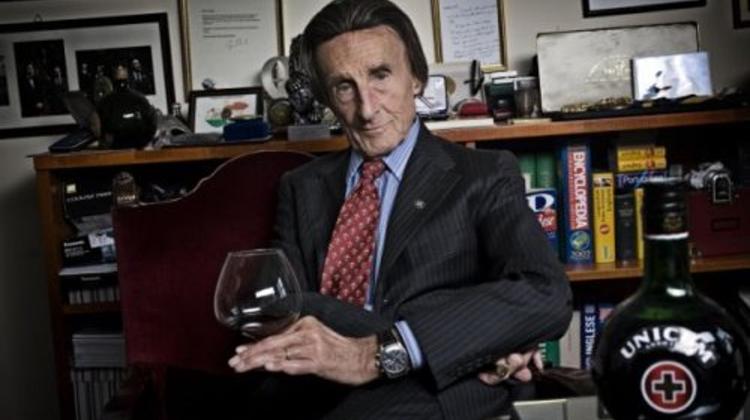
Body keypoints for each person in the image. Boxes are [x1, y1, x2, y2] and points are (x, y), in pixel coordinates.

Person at [229, 1, 572, 418]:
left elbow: (545, 293)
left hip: (434, 392)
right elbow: (287, 315)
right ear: (328, 99)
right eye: (344, 87)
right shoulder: (301, 187)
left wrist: (386, 351)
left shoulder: (484, 174)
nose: (367, 108)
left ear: (417, 78)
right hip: (321, 386)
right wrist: (479, 338)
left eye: (380, 76)